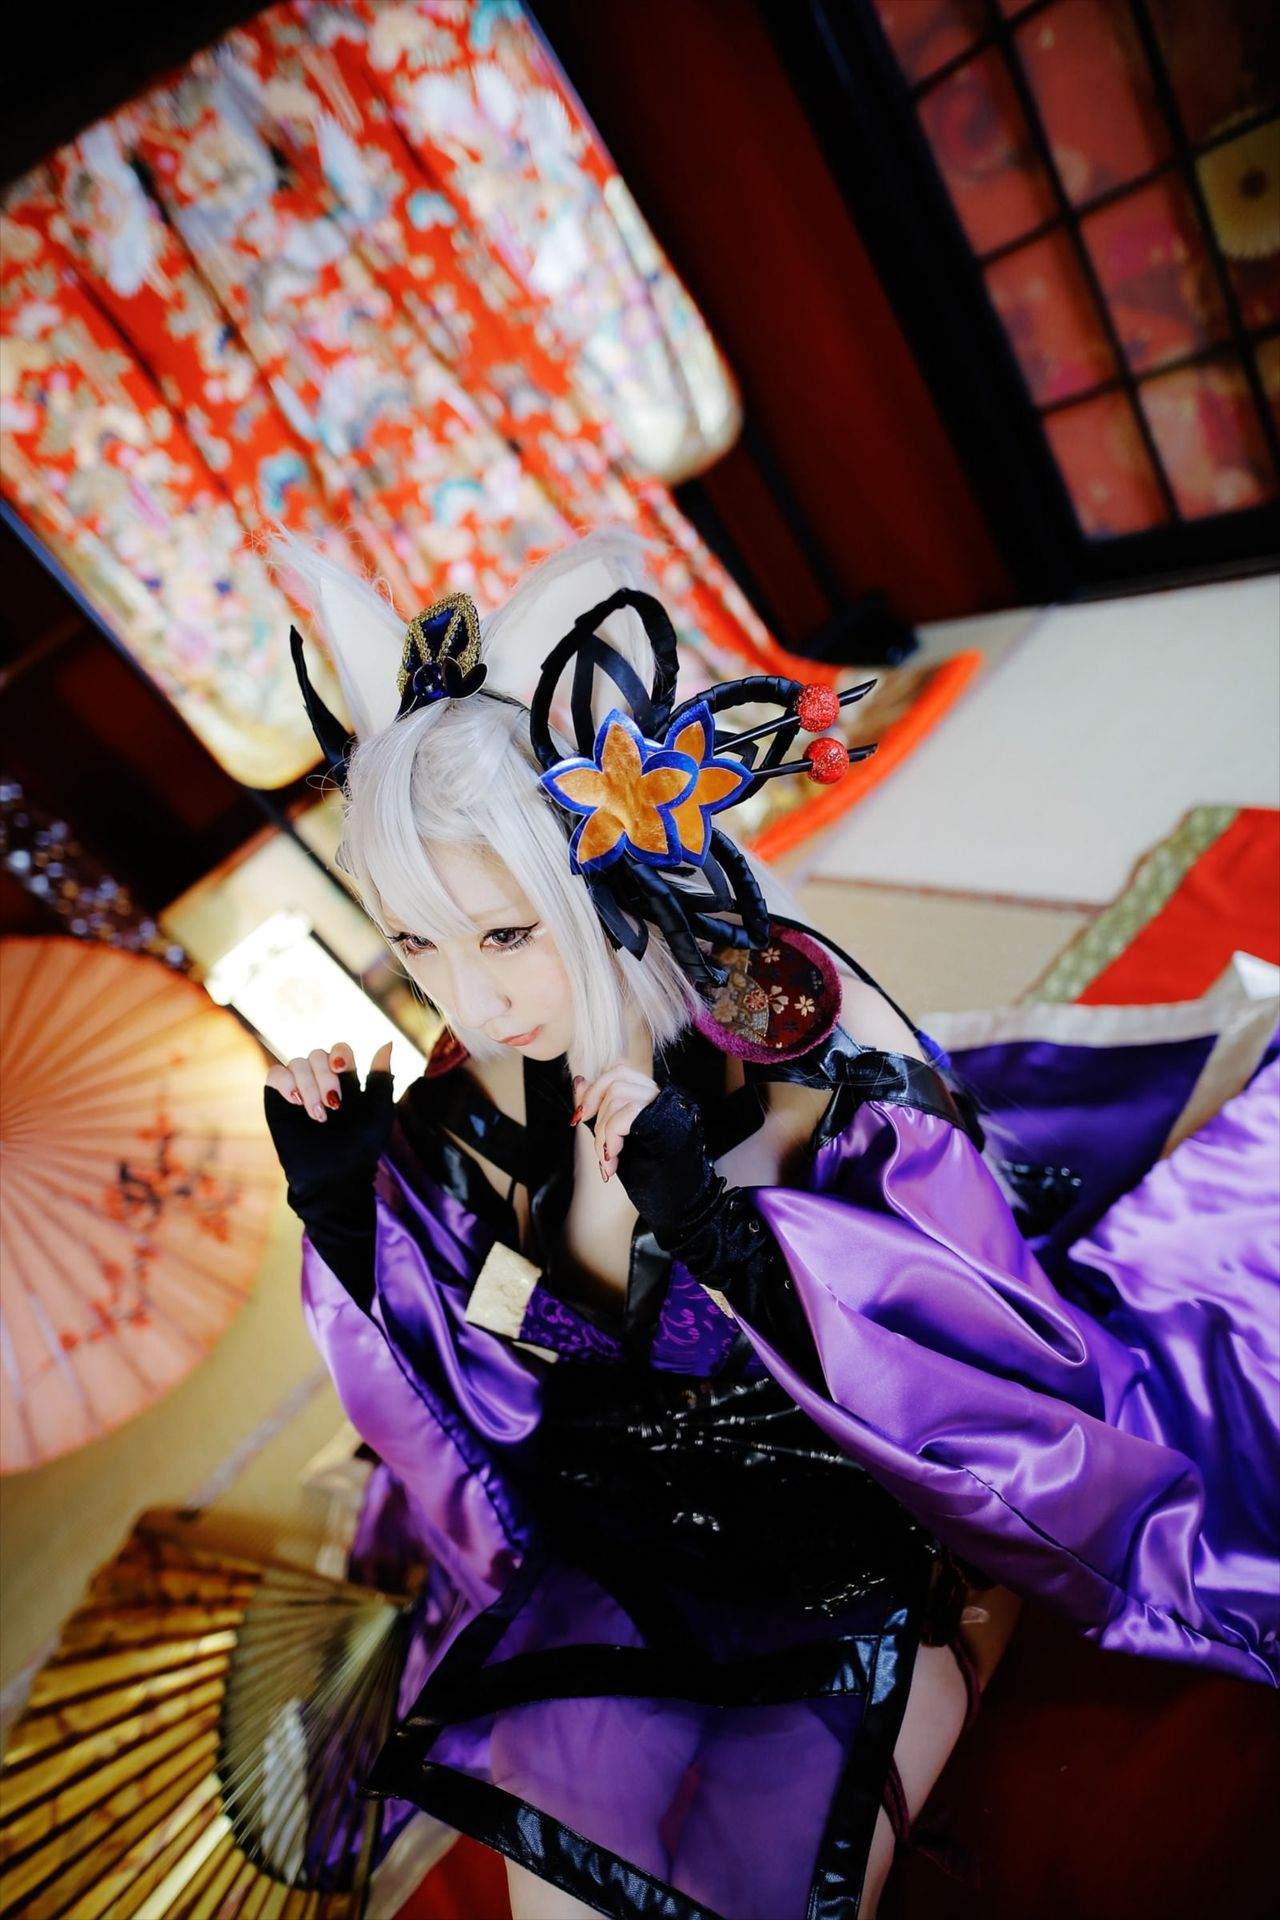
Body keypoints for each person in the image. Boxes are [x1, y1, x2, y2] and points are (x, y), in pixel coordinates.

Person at [263, 532, 1278, 1920]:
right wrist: (342, 1208)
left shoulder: (804, 1067)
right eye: (415, 943)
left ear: (605, 879)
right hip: (623, 1565)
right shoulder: (465, 1100)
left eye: (504, 935)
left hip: (859, 1551)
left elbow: (973, 1364)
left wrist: (731, 1239)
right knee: (566, 1890)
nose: (468, 998)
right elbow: (469, 1401)